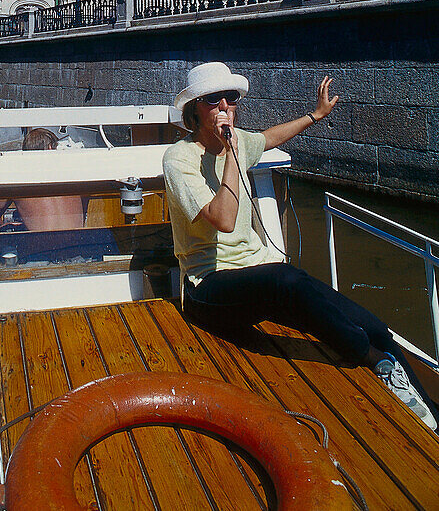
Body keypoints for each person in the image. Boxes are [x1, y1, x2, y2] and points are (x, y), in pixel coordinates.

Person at [163, 62, 438, 431]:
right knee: (287, 279)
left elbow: (269, 137)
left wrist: (315, 115)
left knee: (376, 327)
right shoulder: (180, 159)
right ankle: (374, 362)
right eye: (214, 99)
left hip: (259, 276)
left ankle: (430, 410)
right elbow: (224, 219)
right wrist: (229, 151)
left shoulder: (241, 142)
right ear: (196, 107)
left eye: (231, 97)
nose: (225, 105)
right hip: (208, 288)